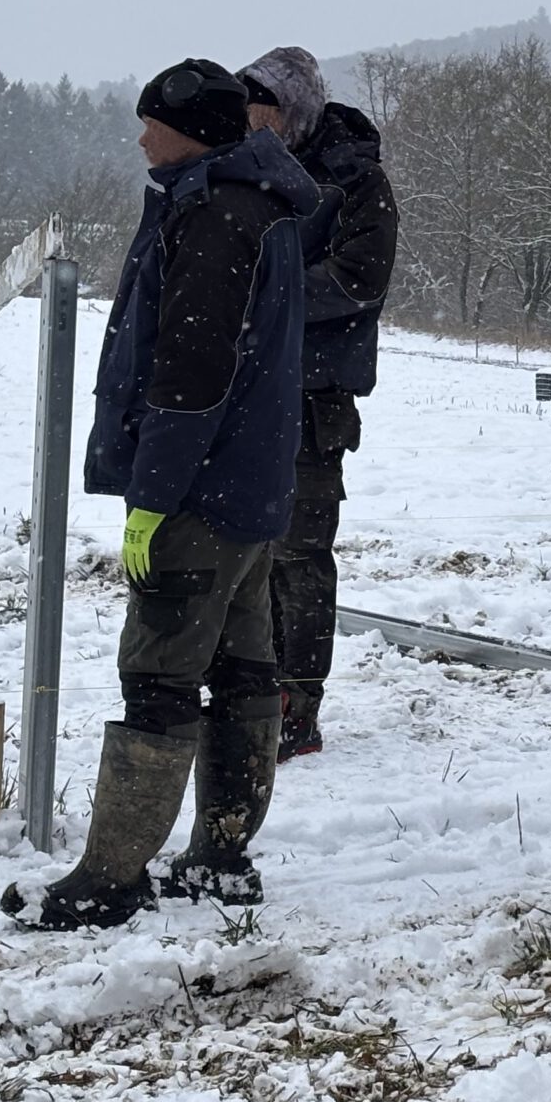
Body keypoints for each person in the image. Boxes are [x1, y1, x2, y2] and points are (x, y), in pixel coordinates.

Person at [3, 57, 321, 929]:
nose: (141, 137)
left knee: (159, 672)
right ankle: (221, 858)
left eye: (154, 123)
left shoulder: (216, 216)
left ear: (195, 131)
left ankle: (111, 876)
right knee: (244, 669)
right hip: (251, 486)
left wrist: (153, 494)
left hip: (201, 493)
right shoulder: (257, 204)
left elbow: (191, 373)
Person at [236, 45, 398, 759]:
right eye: (246, 107)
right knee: (240, 551)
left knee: (298, 552)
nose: (253, 120)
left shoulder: (355, 179)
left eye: (264, 106)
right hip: (242, 390)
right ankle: (244, 693)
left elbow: (360, 278)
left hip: (312, 395)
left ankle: (295, 706)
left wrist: (269, 299)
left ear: (294, 108)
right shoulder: (245, 170)